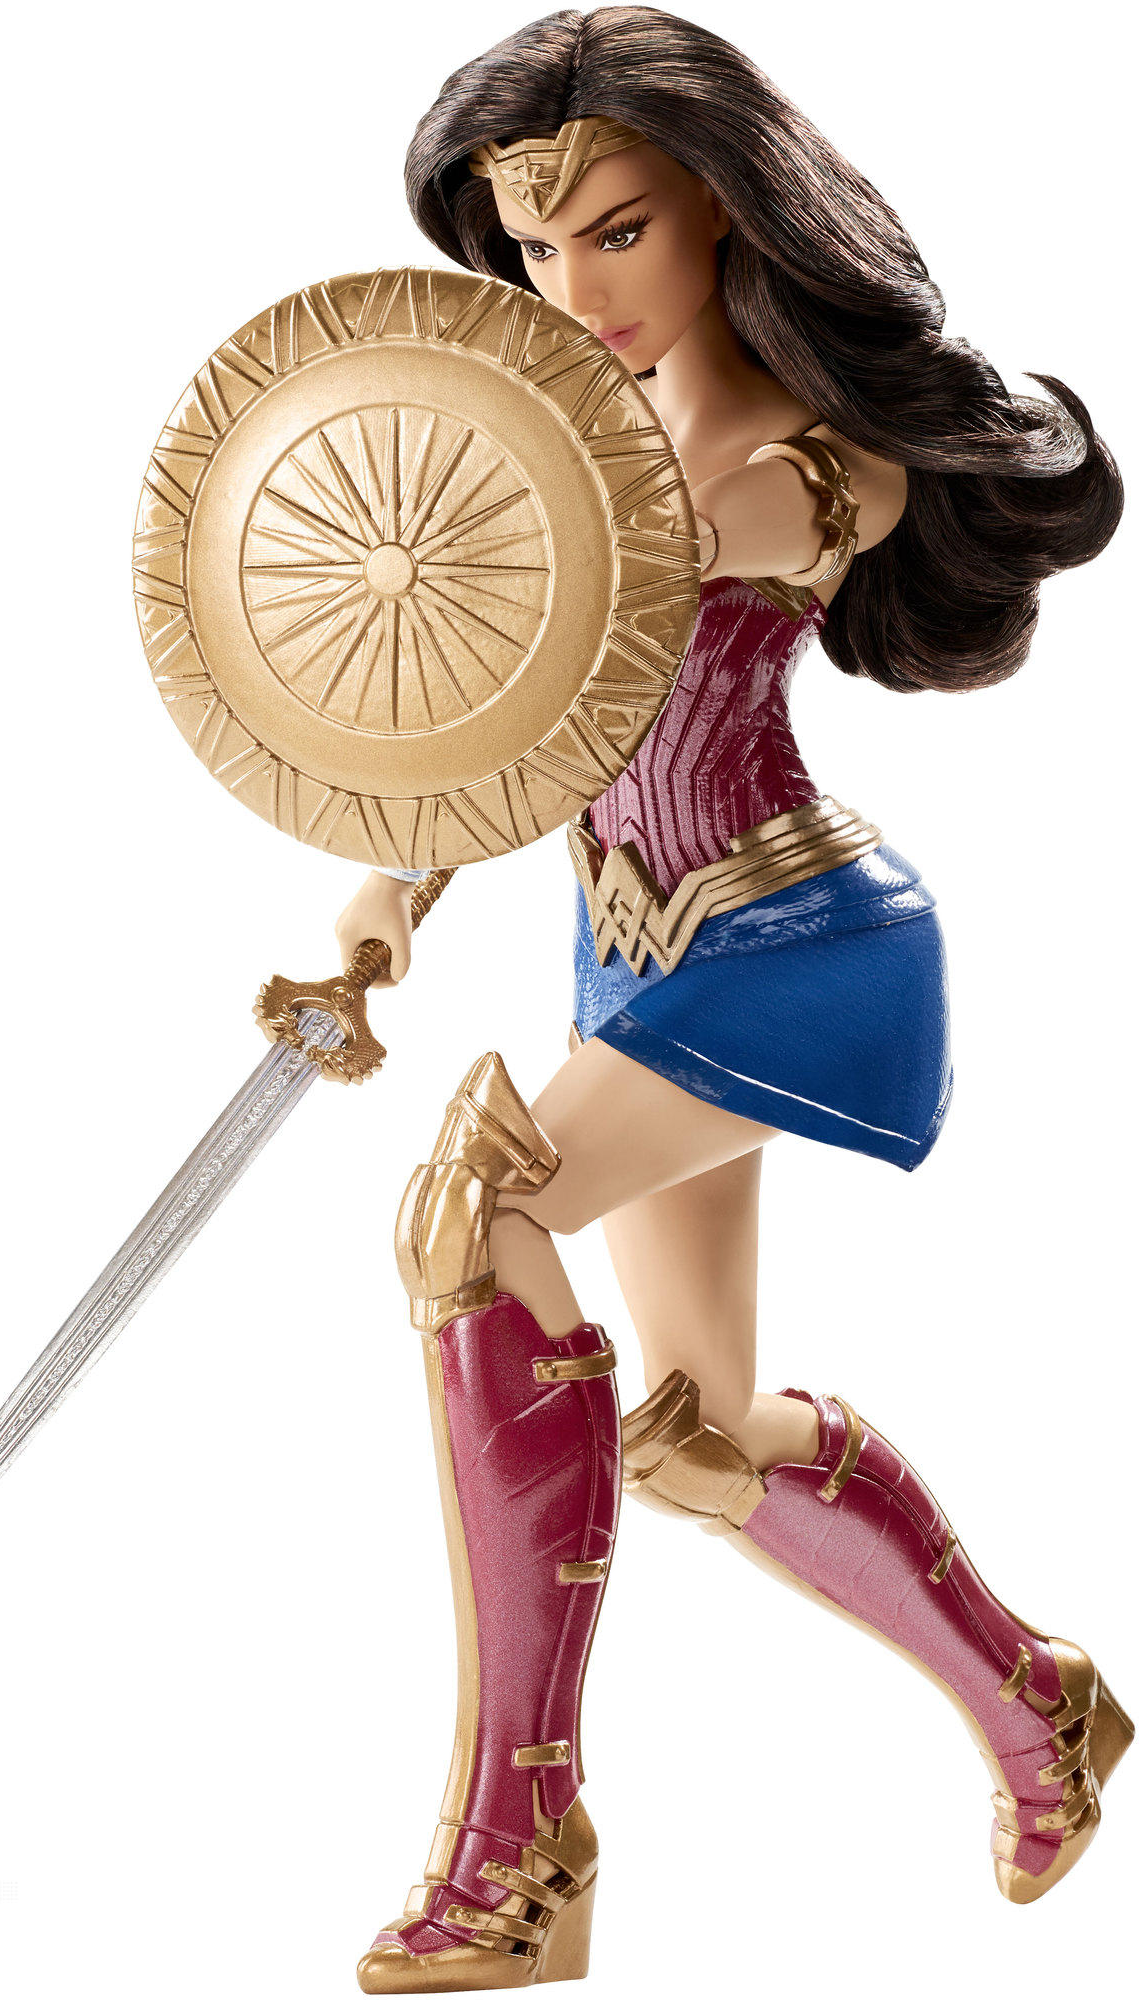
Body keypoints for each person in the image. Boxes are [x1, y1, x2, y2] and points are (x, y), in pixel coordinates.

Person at [334, 11, 1129, 1989]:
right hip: (631, 959)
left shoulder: (805, 458)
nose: (573, 286)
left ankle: (519, 1844)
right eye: (536, 247)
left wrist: (560, 533)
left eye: (614, 231)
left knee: (472, 1215)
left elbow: (690, 558)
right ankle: (1037, 1697)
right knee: (691, 1431)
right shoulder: (589, 450)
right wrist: (379, 907)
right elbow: (510, 724)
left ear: (723, 212)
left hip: (798, 948)